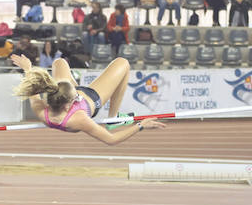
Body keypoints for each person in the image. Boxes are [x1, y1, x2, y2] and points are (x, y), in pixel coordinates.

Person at [10, 54, 165, 144]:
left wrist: (27, 68)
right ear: (68, 106)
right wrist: (140, 125)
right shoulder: (79, 119)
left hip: (66, 93)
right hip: (92, 97)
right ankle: (113, 118)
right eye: (75, 98)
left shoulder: (41, 110)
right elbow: (111, 140)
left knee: (59, 62)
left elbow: (31, 87)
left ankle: (70, 86)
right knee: (123, 63)